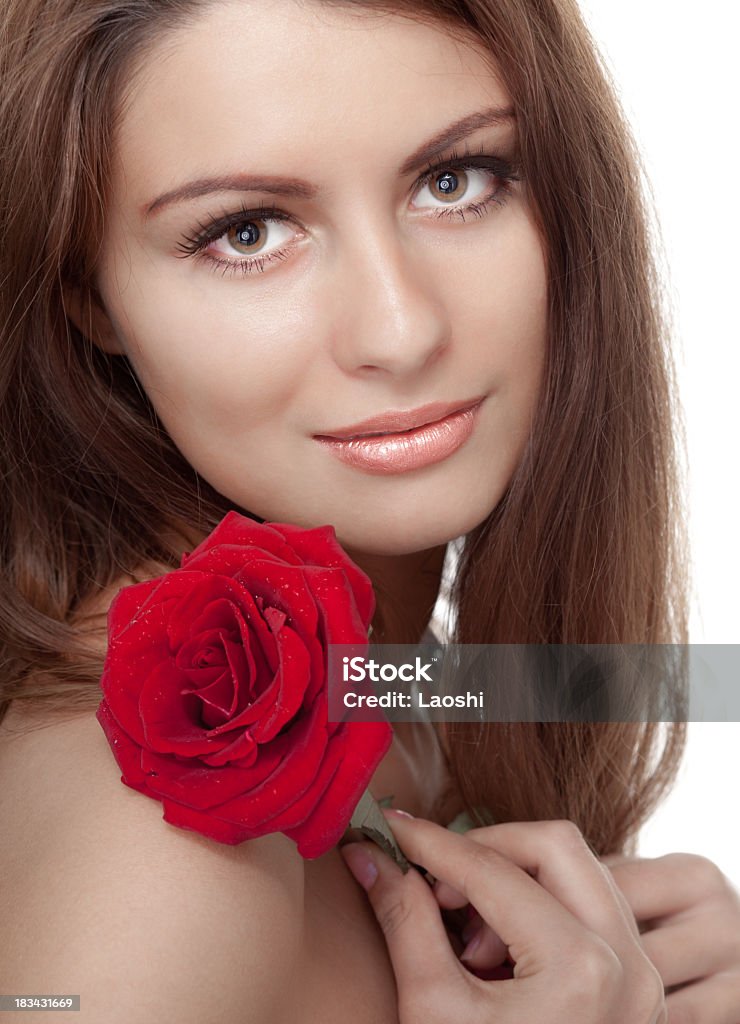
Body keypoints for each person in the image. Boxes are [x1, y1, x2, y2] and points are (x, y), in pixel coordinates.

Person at [0, 1, 738, 1021]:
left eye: (455, 180)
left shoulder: (402, 676)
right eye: (246, 232)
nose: (399, 329)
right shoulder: (151, 830)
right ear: (89, 294)